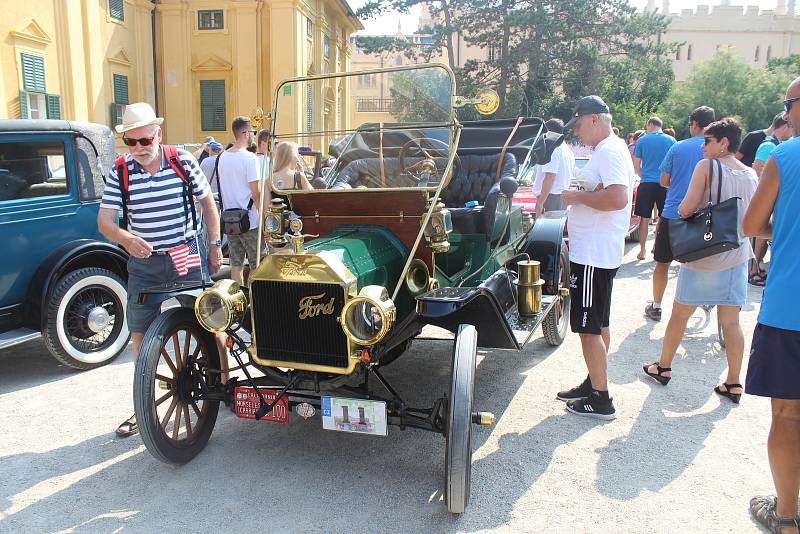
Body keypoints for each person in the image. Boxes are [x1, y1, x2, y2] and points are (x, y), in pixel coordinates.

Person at [96, 102, 226, 438]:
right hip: (145, 264)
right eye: (131, 142)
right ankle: (143, 406)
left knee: (210, 323)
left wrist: (214, 245)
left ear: (158, 135)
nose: (139, 148)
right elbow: (105, 222)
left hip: (185, 254)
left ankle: (223, 388)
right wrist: (126, 238)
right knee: (139, 336)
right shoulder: (121, 171)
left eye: (144, 141)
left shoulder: (182, 161)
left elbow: (208, 203)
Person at [642, 118, 757, 403]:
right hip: (736, 255)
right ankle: (733, 381)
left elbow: (687, 207)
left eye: (708, 141)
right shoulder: (749, 174)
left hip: (704, 255)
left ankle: (664, 367)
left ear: (723, 143)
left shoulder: (707, 166)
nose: (703, 145)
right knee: (731, 322)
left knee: (680, 314)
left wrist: (683, 210)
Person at [742, 76, 800, 534]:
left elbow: (751, 224)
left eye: (788, 103)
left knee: (787, 415)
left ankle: (785, 514)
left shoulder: (784, 156)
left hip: (790, 306)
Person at [557, 95, 635, 420]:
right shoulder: (609, 149)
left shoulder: (610, 151)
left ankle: (601, 398)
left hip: (593, 253)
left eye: (577, 124)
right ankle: (594, 382)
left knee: (588, 327)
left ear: (593, 119)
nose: (576, 132)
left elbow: (618, 197)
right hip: (597, 251)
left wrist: (576, 196)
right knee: (599, 322)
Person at [644, 106, 716, 321]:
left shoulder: (678, 147)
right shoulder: (717, 151)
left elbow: (664, 180)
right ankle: (703, 299)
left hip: (673, 212)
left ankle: (656, 305)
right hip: (703, 215)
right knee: (700, 262)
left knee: (662, 262)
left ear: (694, 123)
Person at [214, 116, 264, 287]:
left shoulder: (221, 157)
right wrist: (264, 219)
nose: (254, 136)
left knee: (236, 264)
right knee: (257, 264)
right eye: (253, 132)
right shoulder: (250, 158)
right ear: (245, 133)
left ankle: (238, 300)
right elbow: (255, 194)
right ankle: (253, 299)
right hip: (250, 220)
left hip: (230, 219)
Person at [749, 116, 794, 286]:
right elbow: (757, 170)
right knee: (759, 236)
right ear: (782, 127)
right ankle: (753, 271)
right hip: (766, 198)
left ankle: (756, 269)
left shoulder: (776, 146)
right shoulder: (769, 145)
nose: (791, 132)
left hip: (771, 196)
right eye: (789, 127)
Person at [632, 116, 676, 260]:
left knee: (644, 218)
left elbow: (636, 165)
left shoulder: (642, 140)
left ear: (650, 124)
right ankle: (657, 246)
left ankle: (642, 250)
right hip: (664, 184)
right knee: (663, 218)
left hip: (646, 183)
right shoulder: (671, 141)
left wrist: (643, 174)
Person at [532, 118, 574, 216]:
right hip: (558, 197)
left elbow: (550, 177)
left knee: (545, 230)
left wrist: (541, 202)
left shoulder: (553, 149)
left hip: (550, 198)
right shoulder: (567, 150)